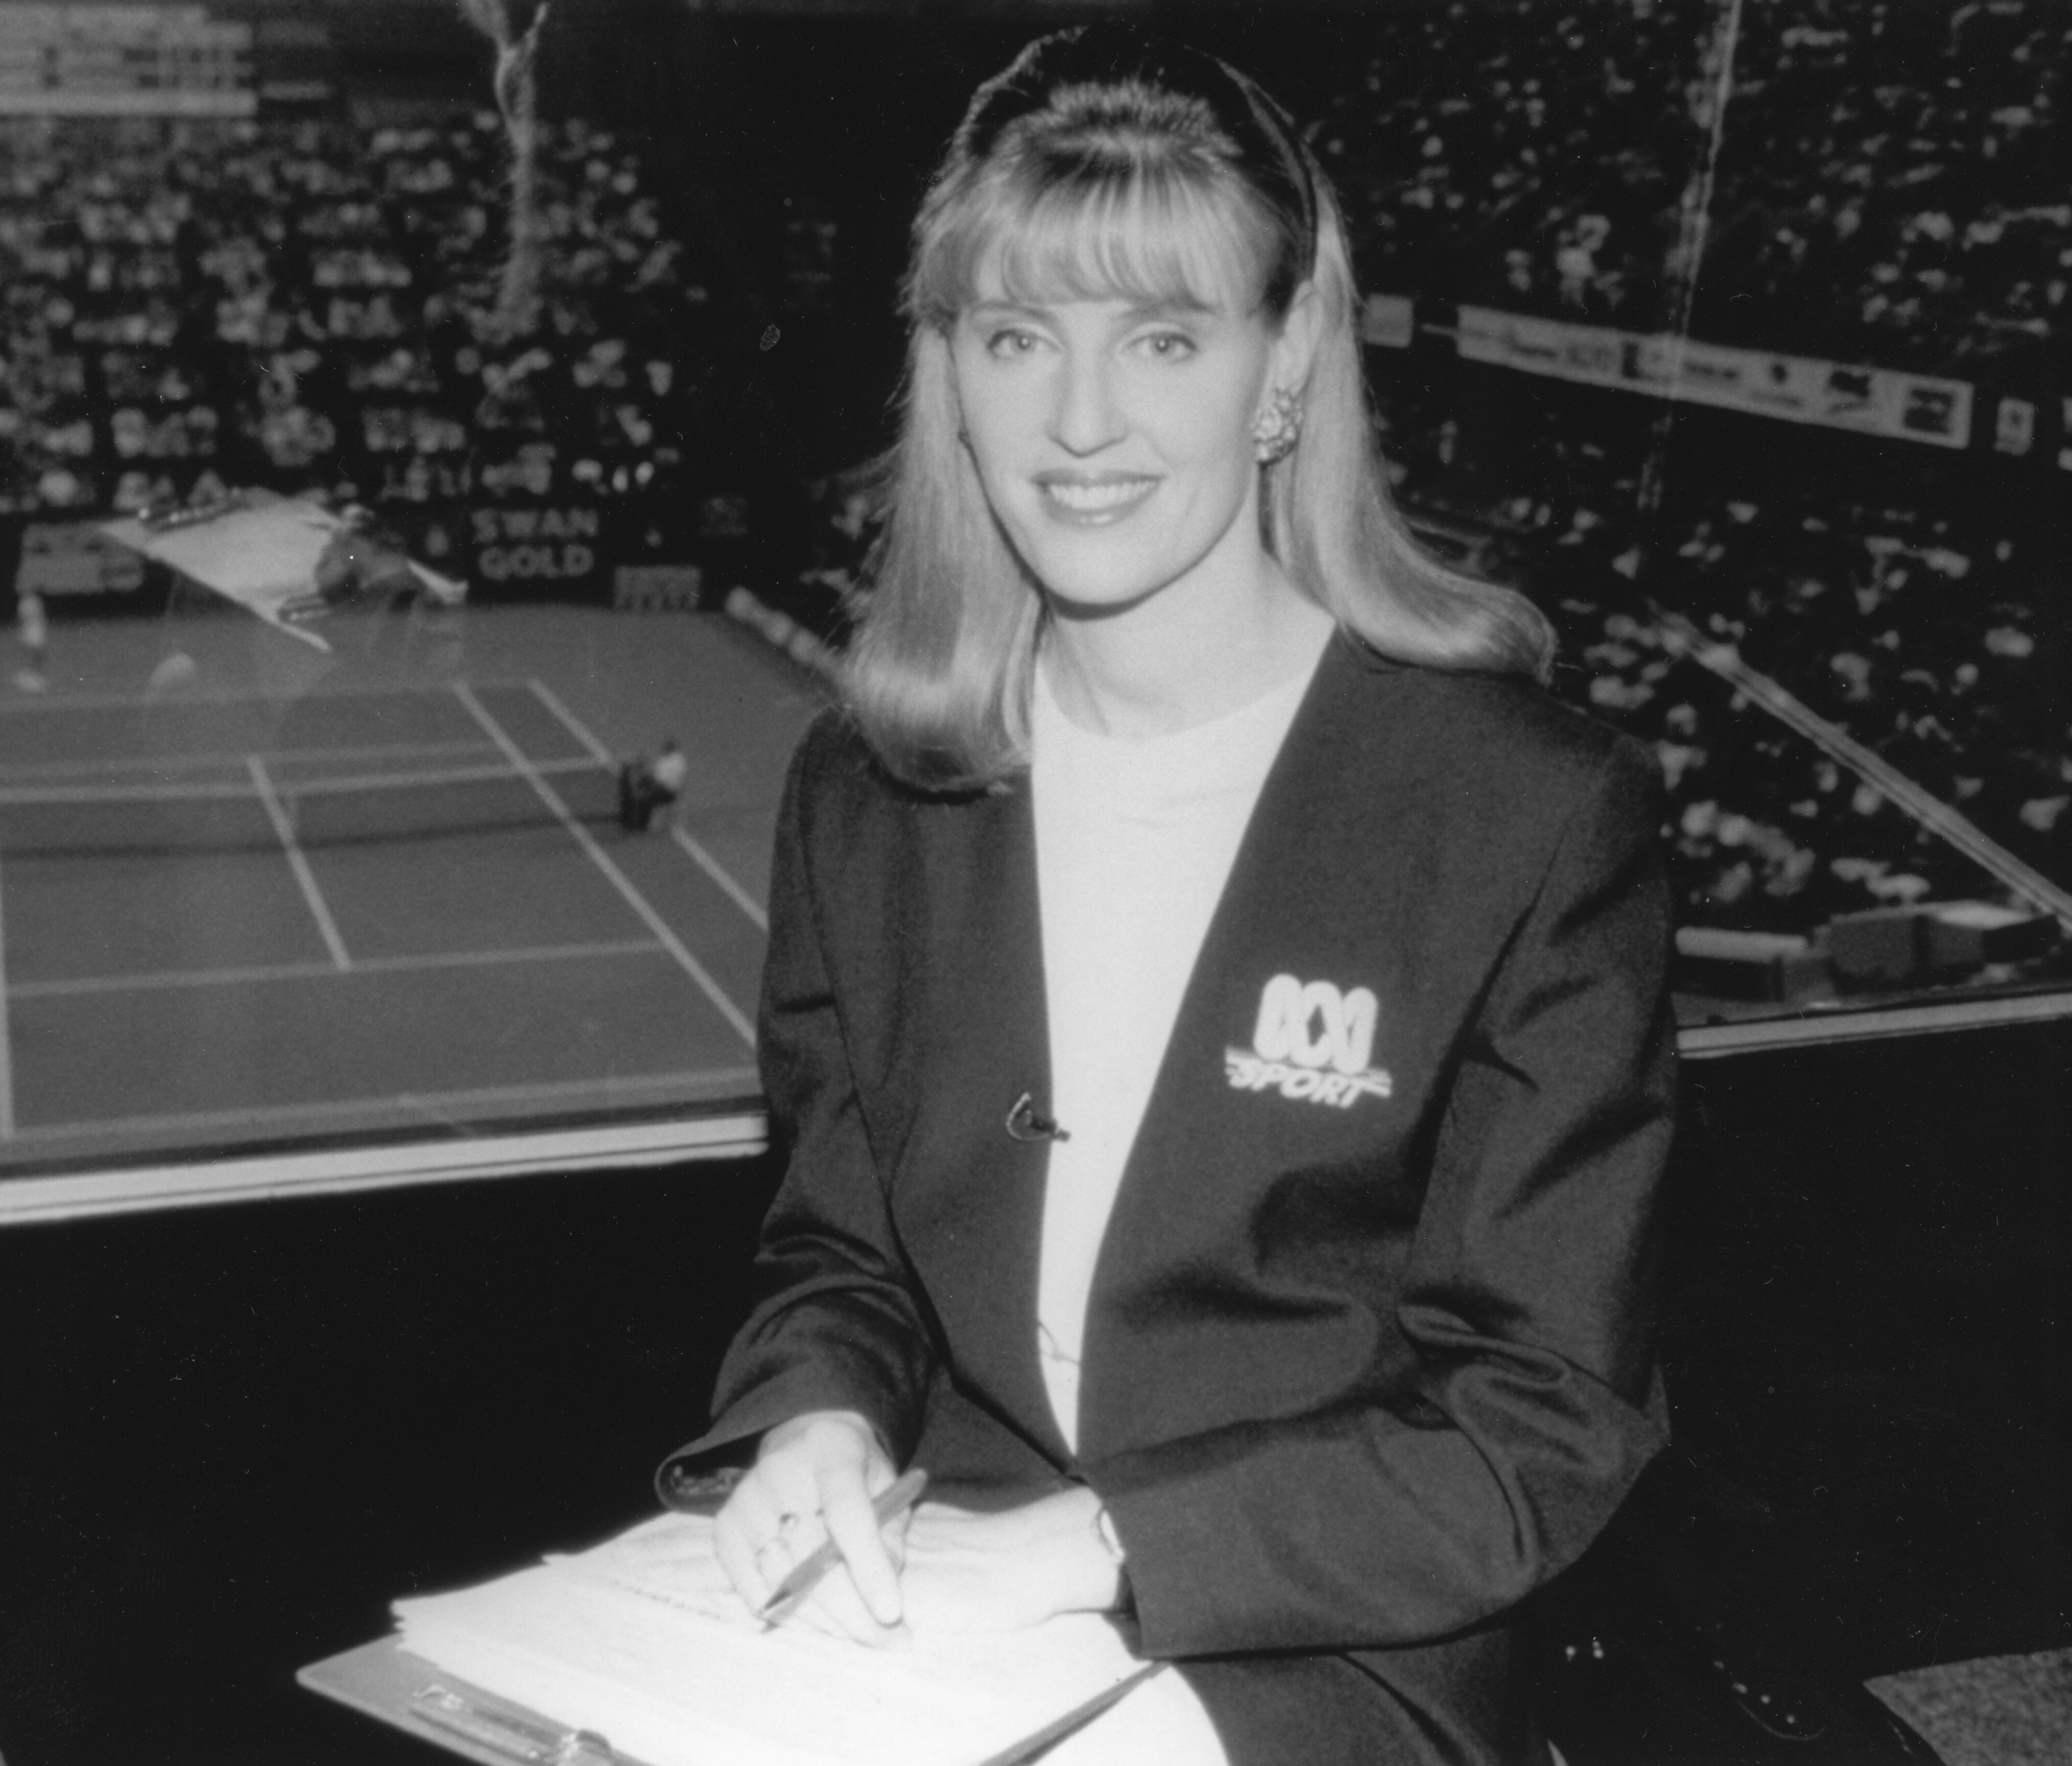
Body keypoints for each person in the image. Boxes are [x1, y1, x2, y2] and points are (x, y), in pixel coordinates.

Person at [656, 28, 1676, 1765]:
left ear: (1281, 371)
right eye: (1018, 336)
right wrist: (816, 1418)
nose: (1079, 421)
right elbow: (847, 1250)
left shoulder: (1532, 813)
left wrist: (1107, 1546)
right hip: (936, 1552)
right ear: (952, 380)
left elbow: (1543, 1415)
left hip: (1328, 1626)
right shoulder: (869, 787)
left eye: (1164, 337)